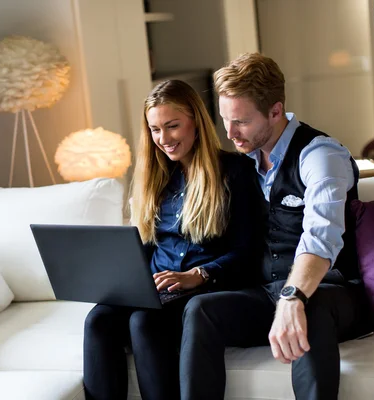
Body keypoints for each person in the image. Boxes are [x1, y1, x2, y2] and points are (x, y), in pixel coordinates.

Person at [180, 53, 367, 400]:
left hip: (332, 292)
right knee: (200, 310)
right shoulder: (244, 162)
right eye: (225, 120)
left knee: (309, 306)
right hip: (268, 290)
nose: (230, 133)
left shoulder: (320, 156)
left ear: (276, 111)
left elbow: (320, 237)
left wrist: (292, 296)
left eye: (241, 122)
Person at [83, 80, 264, 400]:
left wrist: (198, 275)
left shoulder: (235, 171)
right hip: (155, 286)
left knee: (144, 321)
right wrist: (117, 275)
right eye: (155, 129)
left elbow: (247, 251)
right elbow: (150, 245)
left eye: (172, 126)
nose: (163, 139)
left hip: (202, 286)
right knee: (98, 320)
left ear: (195, 121)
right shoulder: (159, 179)